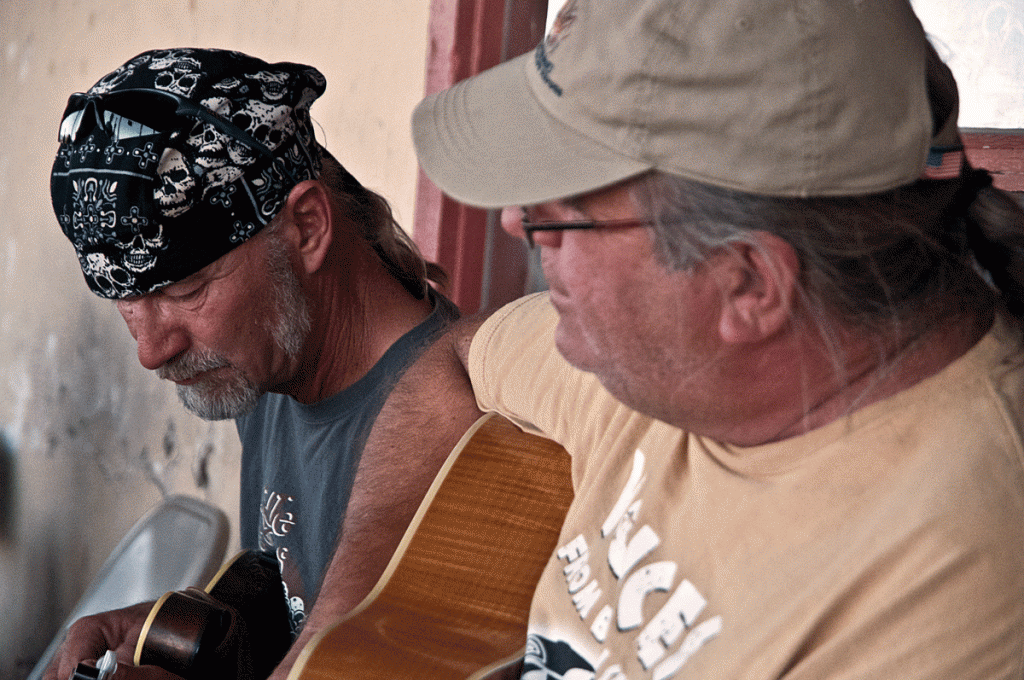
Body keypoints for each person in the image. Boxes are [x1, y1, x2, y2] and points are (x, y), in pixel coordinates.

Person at [411, 0, 1024, 678]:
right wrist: (342, 639)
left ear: (749, 286)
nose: (514, 224)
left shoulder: (951, 587)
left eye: (563, 214)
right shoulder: (654, 356)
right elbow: (460, 353)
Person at [45, 48, 481, 678]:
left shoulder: (453, 432)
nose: (152, 351)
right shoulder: (272, 364)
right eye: (126, 305)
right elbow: (298, 606)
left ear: (306, 228)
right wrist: (190, 633)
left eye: (186, 291)